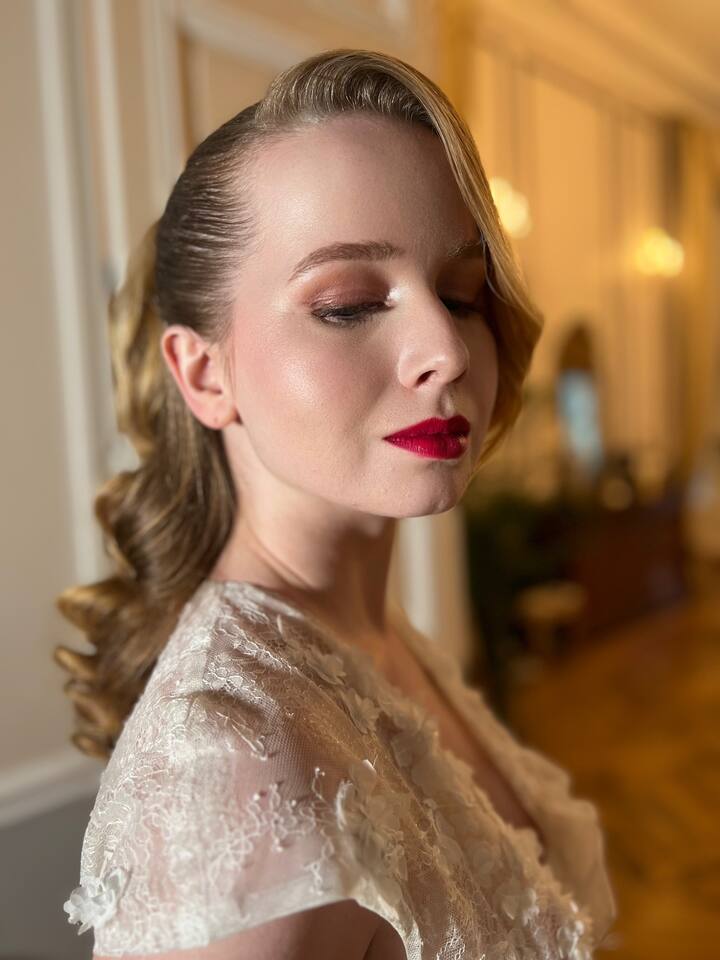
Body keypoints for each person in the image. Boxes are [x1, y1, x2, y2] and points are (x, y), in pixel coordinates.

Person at [55, 48, 617, 959]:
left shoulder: (367, 635)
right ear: (205, 374)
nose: (447, 351)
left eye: (461, 294)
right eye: (349, 304)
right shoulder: (233, 764)